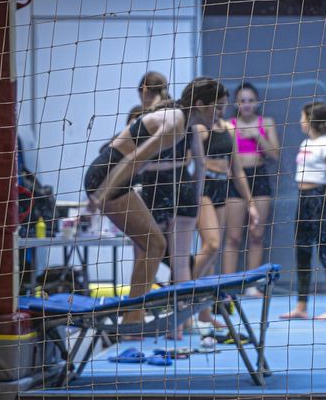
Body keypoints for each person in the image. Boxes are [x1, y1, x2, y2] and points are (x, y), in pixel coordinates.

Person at [84, 76, 226, 327]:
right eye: (218, 107)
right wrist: (97, 199)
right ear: (202, 104)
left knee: (153, 245)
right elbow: (132, 161)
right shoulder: (177, 125)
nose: (221, 114)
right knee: (154, 244)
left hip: (115, 178)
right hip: (107, 176)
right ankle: (131, 320)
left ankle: (132, 317)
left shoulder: (180, 119)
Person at [281, 102, 326, 320]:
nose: (299, 121)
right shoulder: (305, 142)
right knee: (302, 252)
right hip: (303, 200)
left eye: (301, 117)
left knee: (325, 252)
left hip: (319, 199)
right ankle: (301, 306)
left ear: (310, 120)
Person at [191, 117, 259, 334]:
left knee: (213, 251)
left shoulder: (228, 128)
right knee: (211, 245)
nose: (219, 109)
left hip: (222, 186)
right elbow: (188, 159)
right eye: (216, 104)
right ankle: (180, 289)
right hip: (202, 187)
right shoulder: (199, 129)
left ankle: (204, 314)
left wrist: (251, 203)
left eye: (222, 105)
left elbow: (237, 169)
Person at [223, 83, 280, 297]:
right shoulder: (229, 124)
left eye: (250, 100)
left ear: (257, 102)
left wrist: (257, 136)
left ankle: (252, 285)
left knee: (257, 235)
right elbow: (224, 156)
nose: (246, 104)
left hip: (259, 179)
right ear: (236, 104)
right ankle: (227, 287)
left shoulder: (266, 123)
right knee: (233, 237)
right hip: (236, 180)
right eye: (242, 101)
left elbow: (274, 154)